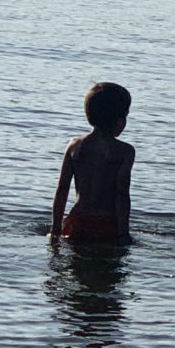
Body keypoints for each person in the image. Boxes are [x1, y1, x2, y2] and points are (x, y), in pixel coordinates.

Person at [51, 82, 135, 244]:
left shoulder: (75, 145)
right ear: (119, 120)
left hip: (77, 221)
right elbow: (122, 193)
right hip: (107, 224)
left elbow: (62, 188)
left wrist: (55, 228)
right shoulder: (124, 151)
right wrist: (123, 233)